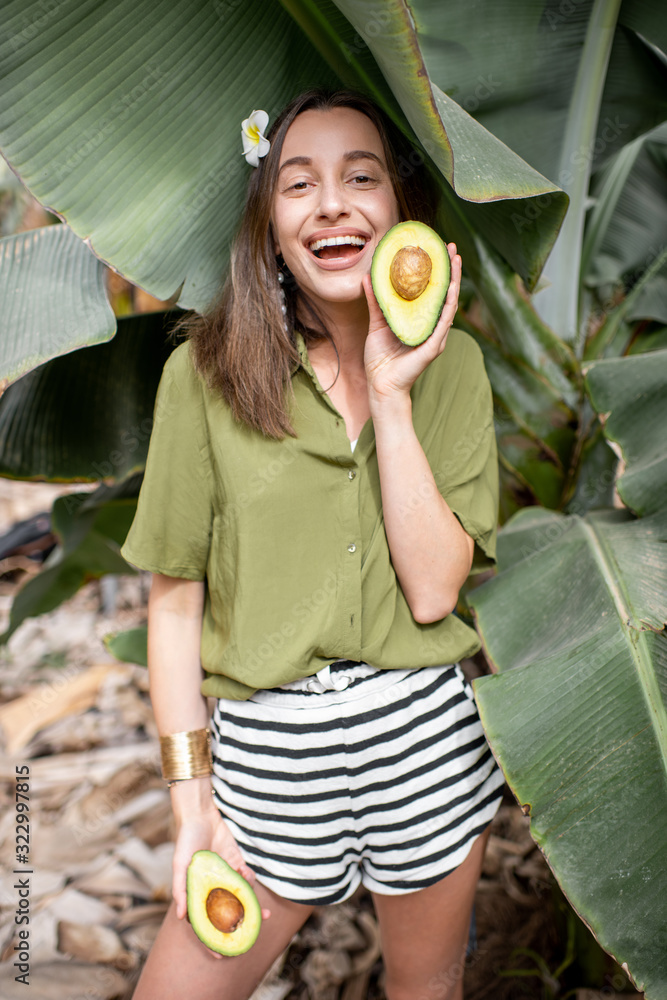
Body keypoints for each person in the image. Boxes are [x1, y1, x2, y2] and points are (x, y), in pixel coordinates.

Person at [121, 89, 504, 1000]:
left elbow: (433, 594)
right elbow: (174, 609)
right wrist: (190, 809)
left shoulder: (457, 369)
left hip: (422, 741)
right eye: (299, 184)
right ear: (270, 225)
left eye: (360, 177)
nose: (332, 203)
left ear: (399, 211)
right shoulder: (203, 376)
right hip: (264, 767)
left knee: (425, 991)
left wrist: (394, 390)